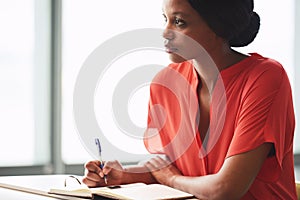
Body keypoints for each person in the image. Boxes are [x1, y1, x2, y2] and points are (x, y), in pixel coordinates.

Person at [83, 0, 297, 199]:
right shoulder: (165, 82)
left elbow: (226, 189)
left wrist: (171, 179)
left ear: (218, 27)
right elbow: (166, 168)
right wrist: (123, 176)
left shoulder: (265, 78)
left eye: (179, 22)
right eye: (165, 19)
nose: (165, 33)